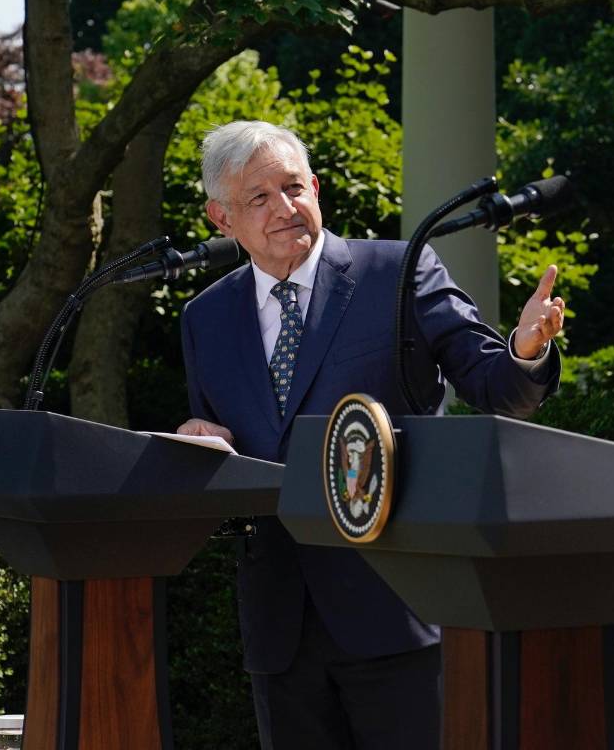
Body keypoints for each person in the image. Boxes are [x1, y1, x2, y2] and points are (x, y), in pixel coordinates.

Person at [177, 121, 563, 749]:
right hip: (280, 624)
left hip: (398, 609)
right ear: (221, 218)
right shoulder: (205, 318)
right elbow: (226, 447)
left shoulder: (396, 273)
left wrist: (524, 349)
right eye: (259, 198)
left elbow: (496, 387)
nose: (284, 208)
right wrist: (196, 444)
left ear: (317, 189)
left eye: (294, 187)